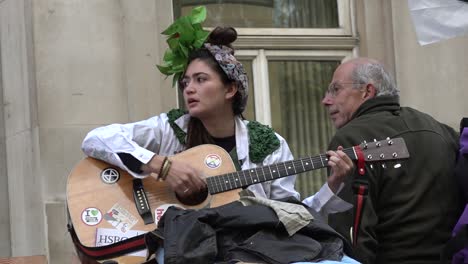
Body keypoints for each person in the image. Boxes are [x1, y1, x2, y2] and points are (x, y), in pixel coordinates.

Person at [81, 9, 356, 262]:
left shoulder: (269, 144)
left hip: (247, 248)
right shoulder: (171, 127)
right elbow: (95, 139)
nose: (189, 89)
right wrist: (161, 165)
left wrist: (331, 187)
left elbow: (289, 215)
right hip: (181, 245)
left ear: (230, 90)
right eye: (186, 81)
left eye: (201, 80)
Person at [314, 57, 462, 264]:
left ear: (367, 91)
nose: (326, 100)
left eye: (335, 89)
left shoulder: (350, 138)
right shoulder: (438, 128)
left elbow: (352, 234)